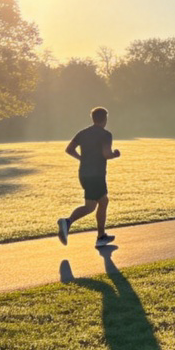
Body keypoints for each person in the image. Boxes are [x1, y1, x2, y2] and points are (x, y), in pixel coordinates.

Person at [58, 106, 121, 248]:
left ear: (93, 119)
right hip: (97, 174)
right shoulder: (106, 134)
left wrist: (81, 159)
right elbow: (106, 154)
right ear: (105, 119)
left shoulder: (83, 133)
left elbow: (69, 149)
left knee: (97, 203)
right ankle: (69, 223)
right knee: (96, 204)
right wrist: (115, 154)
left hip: (84, 173)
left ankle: (99, 235)